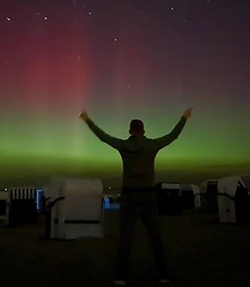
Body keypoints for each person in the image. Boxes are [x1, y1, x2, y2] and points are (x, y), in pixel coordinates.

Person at [79, 107, 193, 286]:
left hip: (129, 197)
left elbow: (103, 137)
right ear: (143, 130)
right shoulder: (152, 145)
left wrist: (88, 120)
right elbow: (173, 136)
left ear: (130, 131)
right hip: (148, 197)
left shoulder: (124, 146)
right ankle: (163, 276)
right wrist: (184, 118)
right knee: (155, 238)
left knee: (125, 239)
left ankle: (120, 277)